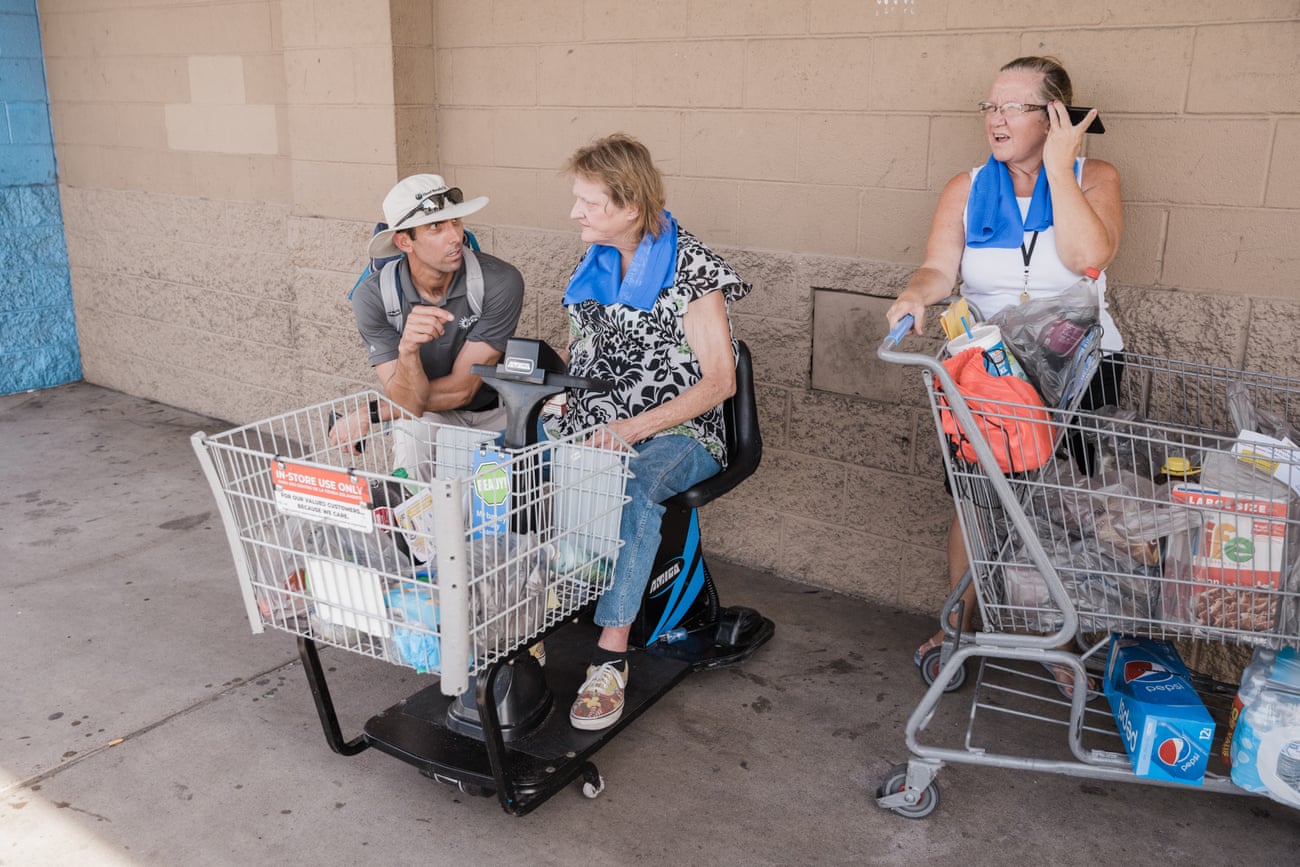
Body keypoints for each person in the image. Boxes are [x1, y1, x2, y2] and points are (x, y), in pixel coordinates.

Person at [885, 56, 1124, 697]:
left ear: (1053, 117)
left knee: (1067, 507)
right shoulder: (966, 188)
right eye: (990, 106)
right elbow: (939, 268)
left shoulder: (1094, 176)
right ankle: (960, 619)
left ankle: (1062, 637)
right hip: (989, 377)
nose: (995, 119)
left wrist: (1056, 168)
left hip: (1077, 372)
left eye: (1013, 107)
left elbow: (1086, 256)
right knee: (974, 498)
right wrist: (915, 294)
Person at [551, 133, 750, 731]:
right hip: (601, 423)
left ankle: (611, 656)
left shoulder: (691, 269)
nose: (575, 212)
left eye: (588, 202)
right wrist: (559, 401)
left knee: (629, 486)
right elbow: (584, 352)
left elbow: (720, 382)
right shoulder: (598, 261)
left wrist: (630, 429)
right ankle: (532, 620)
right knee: (522, 464)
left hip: (685, 434)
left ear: (630, 207)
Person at [329, 174, 524, 474]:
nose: (455, 236)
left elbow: (461, 391)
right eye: (436, 227)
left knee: (488, 508)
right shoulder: (374, 296)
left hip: (495, 413)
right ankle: (412, 518)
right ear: (405, 240)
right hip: (428, 415)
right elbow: (407, 404)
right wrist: (407, 349)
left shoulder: (499, 281)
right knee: (411, 433)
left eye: (456, 222)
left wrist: (371, 413)